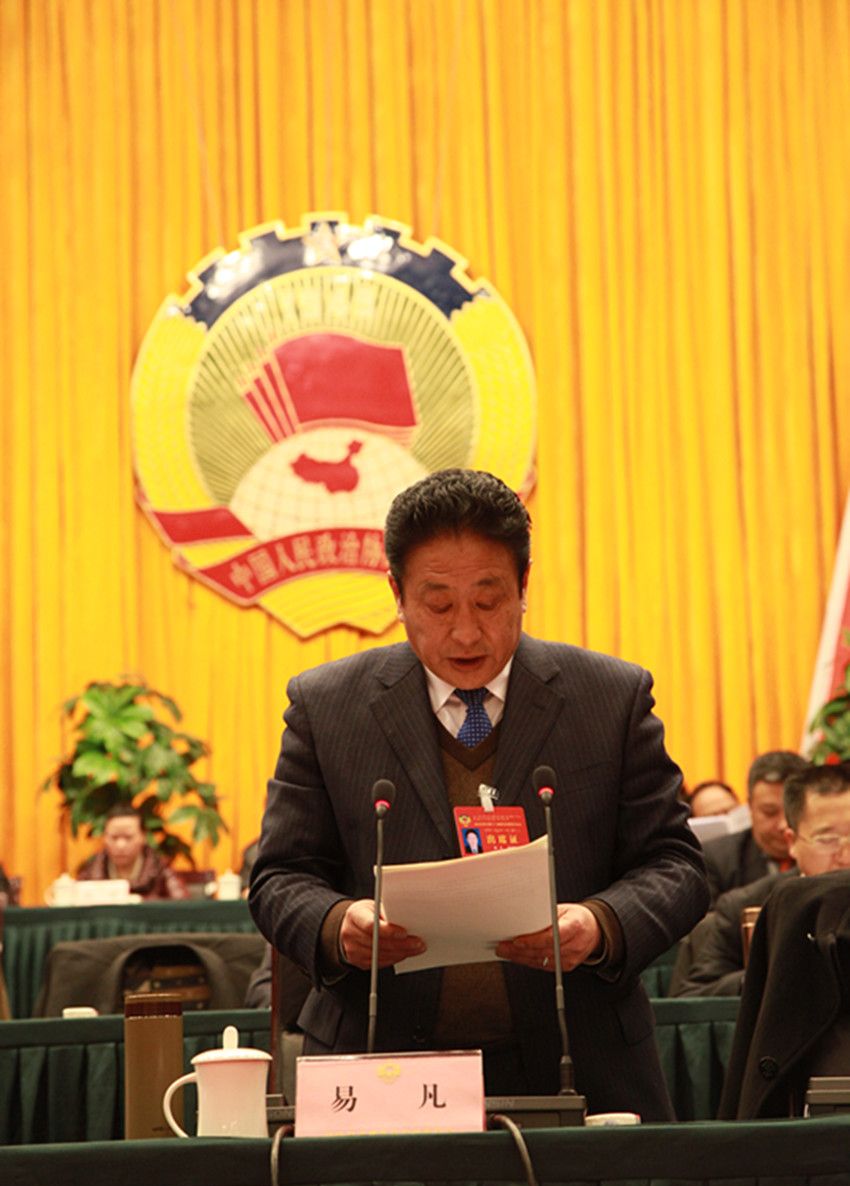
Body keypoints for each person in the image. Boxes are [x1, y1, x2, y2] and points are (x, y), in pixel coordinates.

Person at [249, 469, 708, 1120]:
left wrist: (600, 923)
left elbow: (677, 865)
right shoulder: (327, 707)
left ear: (524, 586)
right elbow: (279, 877)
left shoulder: (610, 698)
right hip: (384, 1070)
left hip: (581, 1063)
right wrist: (336, 925)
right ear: (397, 594)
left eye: (488, 601)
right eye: (438, 605)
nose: (465, 633)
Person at [677, 762, 850, 997]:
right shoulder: (745, 907)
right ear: (792, 842)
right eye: (828, 840)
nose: (845, 856)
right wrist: (766, 977)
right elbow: (692, 998)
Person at [701, 751, 807, 904]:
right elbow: (708, 918)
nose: (784, 824)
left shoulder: (836, 854)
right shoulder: (715, 859)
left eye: (793, 810)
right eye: (770, 812)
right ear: (749, 807)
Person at [76, 804, 189, 900]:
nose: (120, 845)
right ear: (104, 838)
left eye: (128, 837)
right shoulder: (92, 871)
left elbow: (181, 907)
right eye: (114, 837)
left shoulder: (160, 869)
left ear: (143, 837)